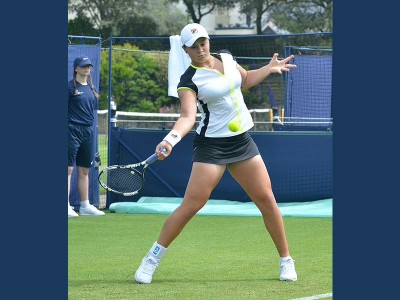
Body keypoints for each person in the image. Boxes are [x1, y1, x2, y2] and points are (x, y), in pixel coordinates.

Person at [134, 23, 297, 283]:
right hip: (212, 146)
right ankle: (151, 259)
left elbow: (245, 80)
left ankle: (286, 260)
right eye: (194, 47)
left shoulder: (228, 59)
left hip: (241, 142)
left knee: (266, 200)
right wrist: (170, 139)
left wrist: (268, 69)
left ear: (208, 41)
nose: (201, 50)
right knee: (191, 206)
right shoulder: (188, 81)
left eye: (203, 43)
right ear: (185, 50)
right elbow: (188, 116)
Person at [68, 56, 105, 218]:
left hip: (89, 132)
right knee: (68, 169)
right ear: (76, 68)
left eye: (89, 66)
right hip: (71, 131)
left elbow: (92, 111)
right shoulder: (69, 88)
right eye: (83, 66)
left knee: (84, 170)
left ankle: (85, 205)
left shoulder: (92, 88)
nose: (87, 69)